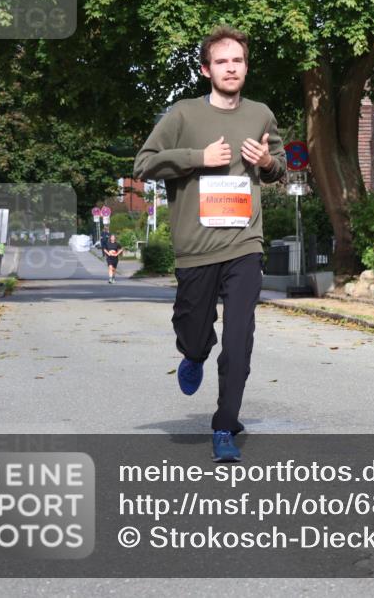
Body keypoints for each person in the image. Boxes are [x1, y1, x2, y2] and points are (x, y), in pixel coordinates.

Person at [134, 25, 286, 462]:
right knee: (196, 333)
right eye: (222, 61)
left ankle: (224, 425)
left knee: (239, 339)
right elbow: (143, 165)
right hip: (196, 249)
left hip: (244, 244)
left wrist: (269, 162)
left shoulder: (260, 114)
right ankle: (193, 353)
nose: (231, 67)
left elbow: (279, 170)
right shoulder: (183, 115)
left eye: (237, 60)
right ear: (206, 70)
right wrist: (198, 159)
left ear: (245, 66)